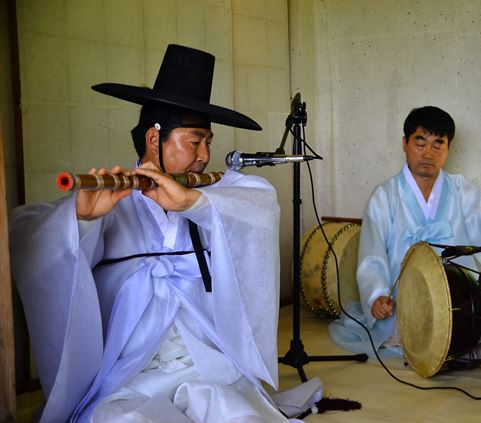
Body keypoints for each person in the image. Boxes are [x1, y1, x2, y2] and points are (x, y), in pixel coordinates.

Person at [10, 44, 320, 423]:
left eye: (208, 142)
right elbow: (25, 232)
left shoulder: (210, 194)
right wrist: (79, 219)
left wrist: (193, 203)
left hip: (206, 363)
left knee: (240, 416)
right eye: (194, 141)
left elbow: (260, 203)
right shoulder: (111, 195)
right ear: (154, 139)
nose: (204, 155)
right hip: (130, 371)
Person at [329, 106, 481, 358]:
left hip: (458, 292)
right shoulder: (385, 196)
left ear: (449, 148)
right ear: (405, 143)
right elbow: (372, 254)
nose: (428, 154)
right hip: (404, 295)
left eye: (438, 145)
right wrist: (376, 295)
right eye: (420, 143)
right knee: (416, 339)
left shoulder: (462, 191)